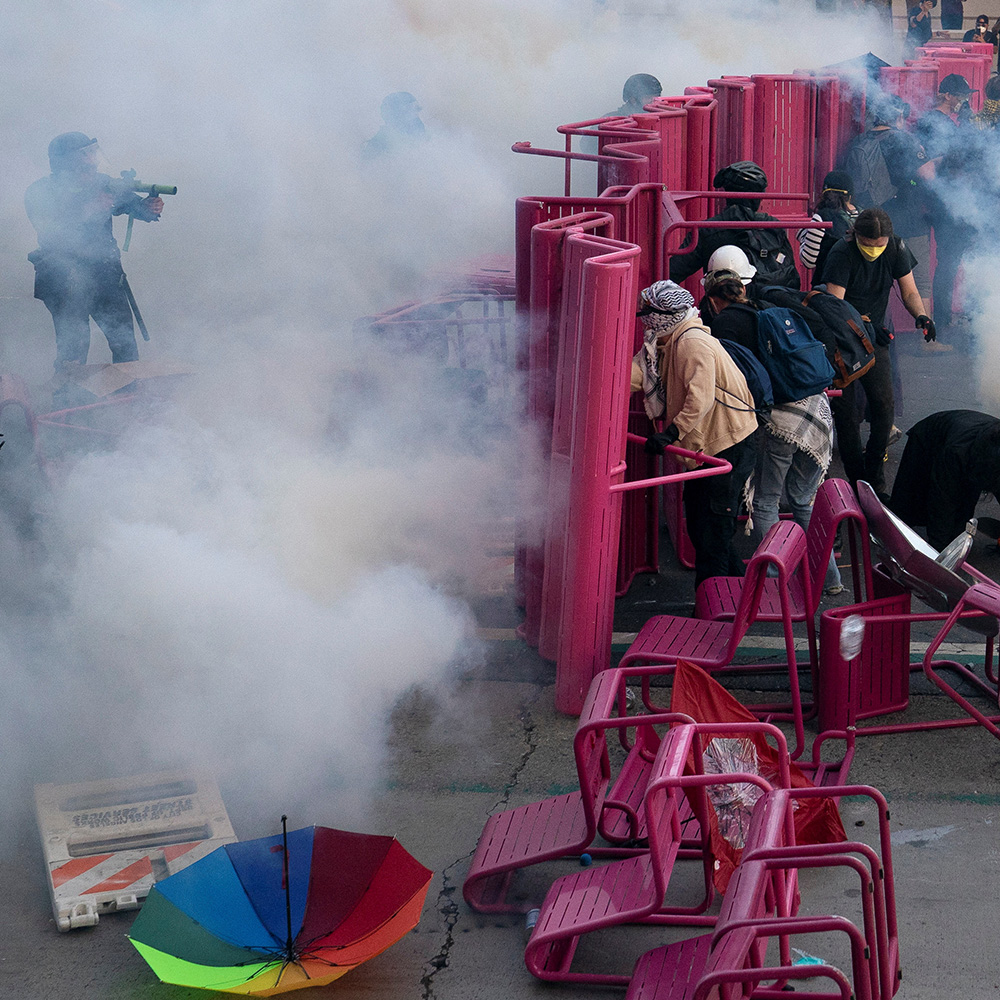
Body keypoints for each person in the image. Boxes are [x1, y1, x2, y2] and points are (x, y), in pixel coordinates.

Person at [700, 267, 842, 593]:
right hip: (816, 412)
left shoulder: (725, 323)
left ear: (714, 299)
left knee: (766, 502)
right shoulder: (766, 307)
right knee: (803, 500)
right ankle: (830, 580)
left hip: (783, 420)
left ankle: (778, 583)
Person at [631, 280, 758, 587]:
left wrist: (671, 433)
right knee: (703, 529)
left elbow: (700, 399)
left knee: (713, 534)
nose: (645, 323)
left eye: (648, 315)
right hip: (710, 447)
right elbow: (637, 372)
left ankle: (712, 608)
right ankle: (741, 595)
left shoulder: (691, 343)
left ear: (664, 316)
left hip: (728, 445)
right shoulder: (668, 341)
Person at [821, 208, 936, 496]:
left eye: (879, 244)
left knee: (884, 406)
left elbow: (909, 291)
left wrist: (921, 315)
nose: (873, 250)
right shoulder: (842, 253)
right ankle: (856, 480)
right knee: (847, 415)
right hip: (843, 341)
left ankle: (875, 478)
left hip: (876, 339)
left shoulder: (896, 248)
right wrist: (866, 327)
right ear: (856, 236)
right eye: (867, 244)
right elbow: (836, 307)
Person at [25, 132, 163, 368]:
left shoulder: (102, 183)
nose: (92, 160)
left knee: (125, 346)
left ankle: (127, 390)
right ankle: (68, 390)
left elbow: (133, 205)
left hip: (105, 275)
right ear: (65, 161)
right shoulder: (41, 191)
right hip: (64, 278)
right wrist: (86, 211)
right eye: (85, 155)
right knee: (73, 350)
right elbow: (50, 233)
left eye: (92, 153)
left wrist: (149, 207)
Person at [837, 94, 930, 298]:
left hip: (873, 223)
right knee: (921, 282)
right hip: (910, 221)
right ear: (899, 116)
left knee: (876, 282)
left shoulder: (857, 141)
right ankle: (923, 319)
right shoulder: (904, 140)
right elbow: (925, 174)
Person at [669, 161, 800, 291]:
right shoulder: (773, 227)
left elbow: (672, 272)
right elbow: (792, 277)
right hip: (773, 301)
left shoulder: (708, 230)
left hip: (726, 301)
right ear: (758, 196)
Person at [914, 74, 977, 340]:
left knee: (948, 262)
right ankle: (941, 319)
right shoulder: (935, 123)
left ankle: (942, 317)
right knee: (948, 262)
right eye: (960, 95)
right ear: (948, 95)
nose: (963, 100)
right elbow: (942, 162)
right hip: (944, 203)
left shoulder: (935, 121)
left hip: (941, 201)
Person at [889, 410, 1000, 550]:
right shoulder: (958, 452)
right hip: (930, 439)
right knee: (909, 503)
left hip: (974, 447)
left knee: (965, 504)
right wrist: (939, 549)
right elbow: (942, 499)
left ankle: (955, 539)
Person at [796, 170, 859, 286]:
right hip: (858, 285)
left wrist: (803, 236)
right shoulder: (865, 216)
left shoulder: (821, 218)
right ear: (850, 196)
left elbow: (808, 261)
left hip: (829, 286)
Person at [362, 92, 427, 159]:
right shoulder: (379, 143)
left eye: (416, 110)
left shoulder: (423, 134)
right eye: (409, 111)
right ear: (397, 115)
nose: (415, 117)